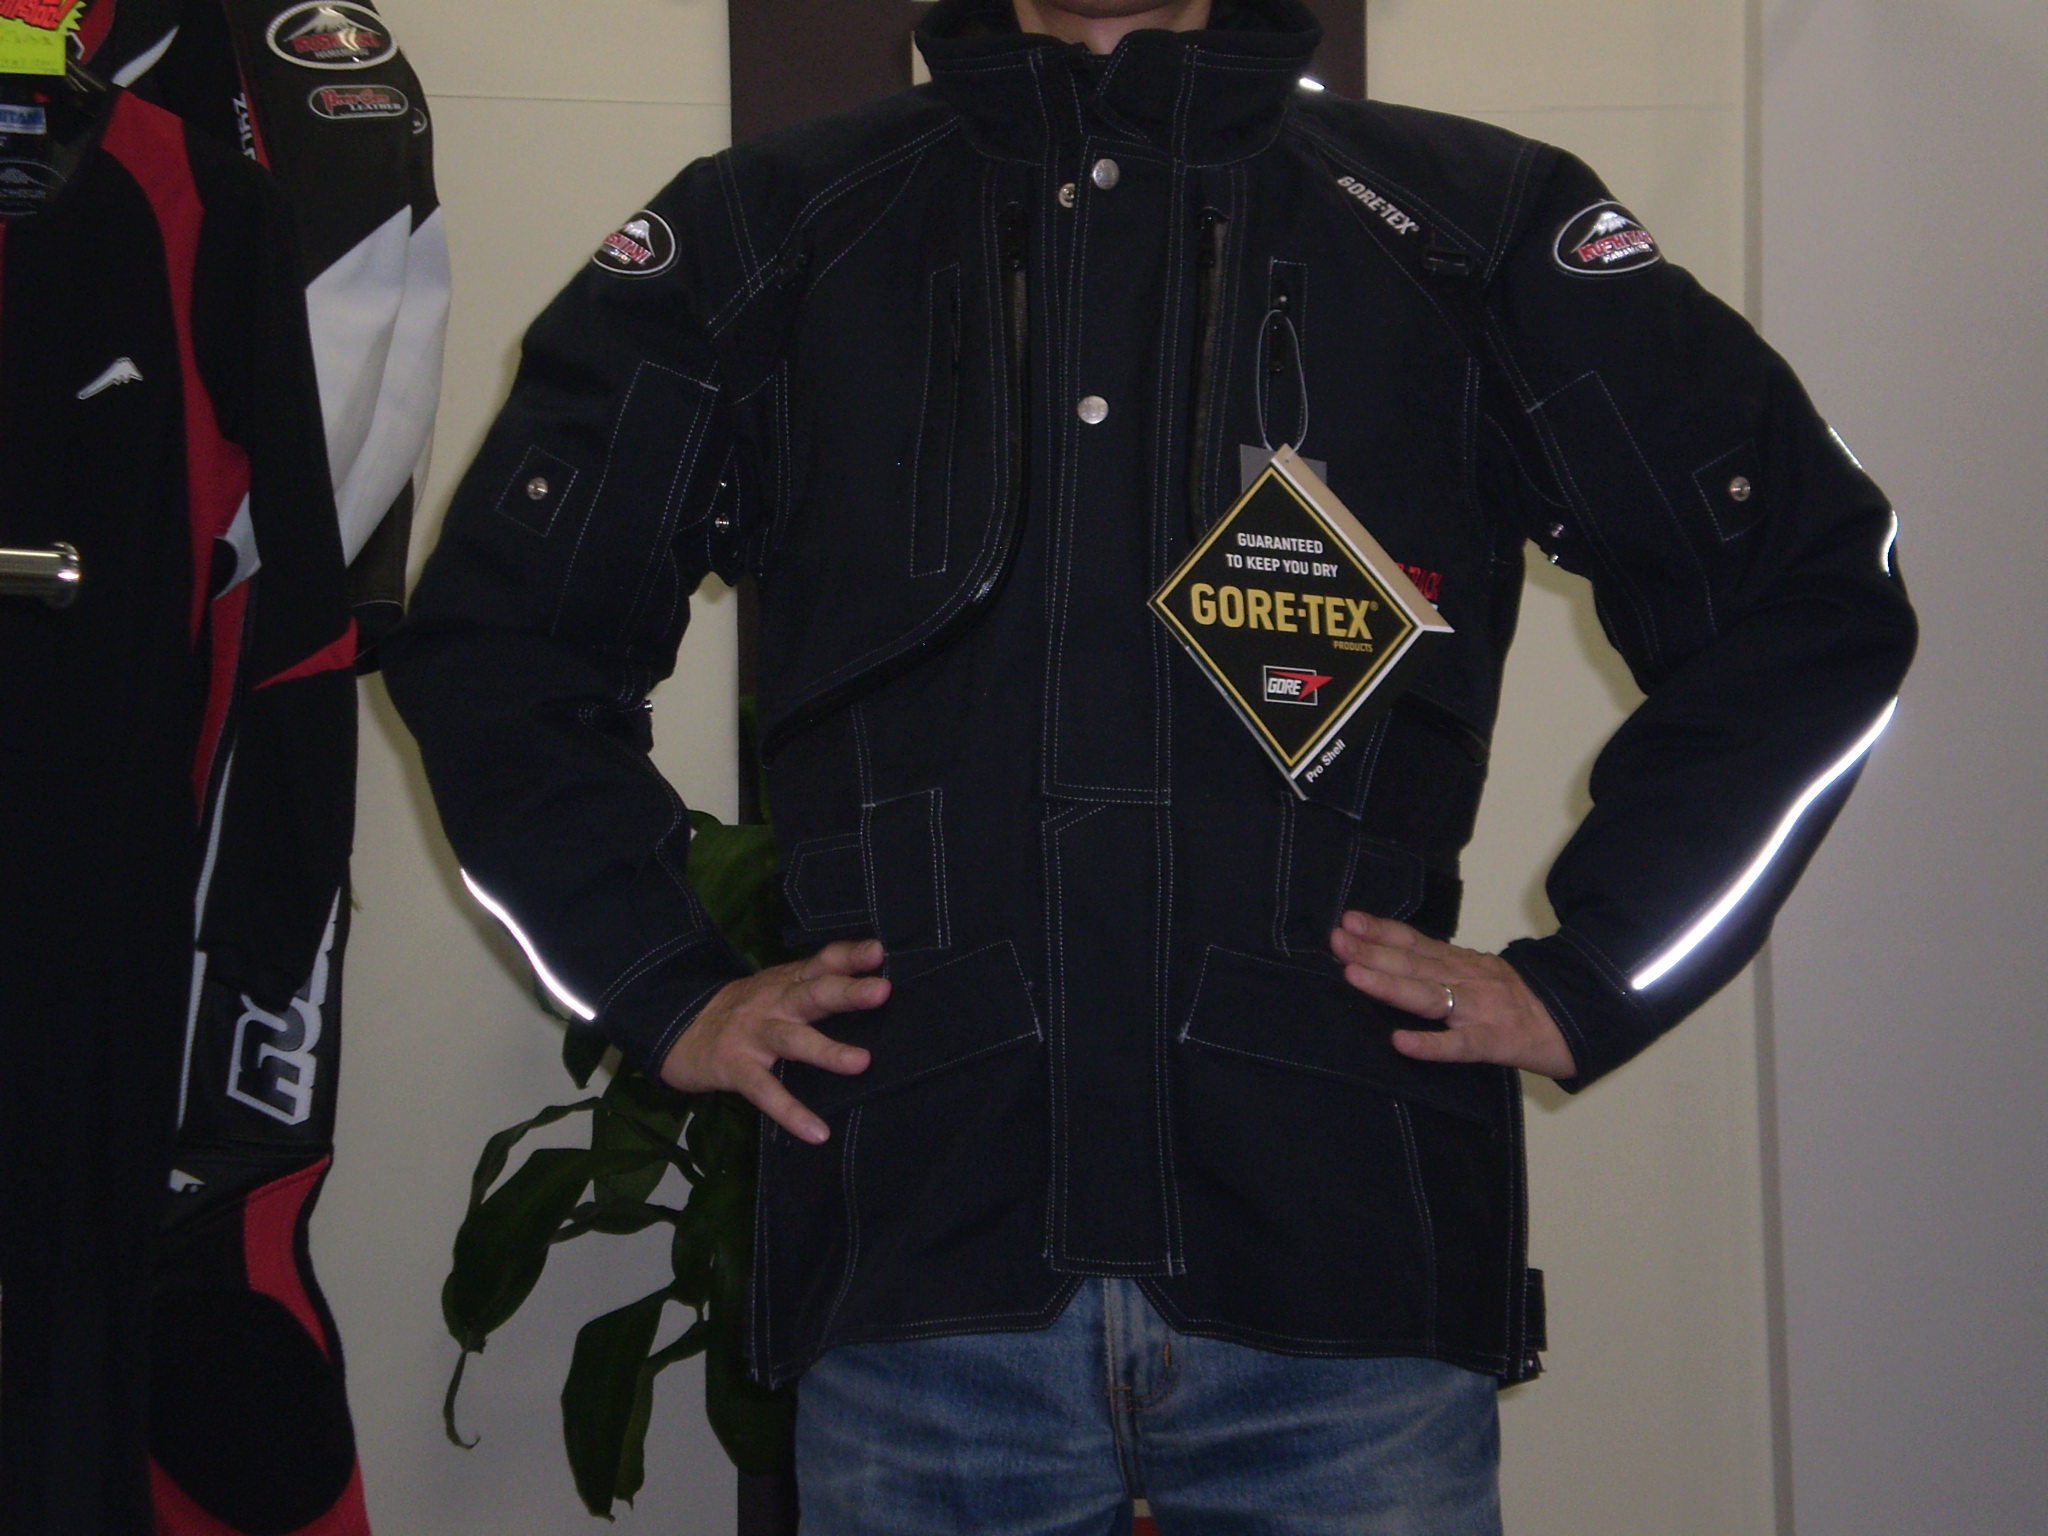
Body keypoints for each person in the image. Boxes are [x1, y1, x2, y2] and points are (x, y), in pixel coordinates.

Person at [383, 0, 1916, 1529]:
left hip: (1344, 1292)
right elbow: (501, 645)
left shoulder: (1474, 223)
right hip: (924, 1282)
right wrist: (658, 984)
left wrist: (1597, 977)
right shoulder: (765, 230)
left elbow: (1804, 595)